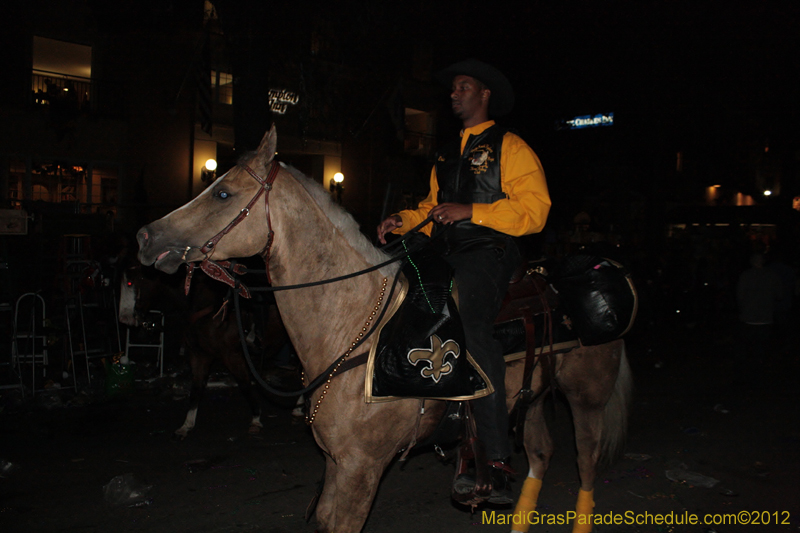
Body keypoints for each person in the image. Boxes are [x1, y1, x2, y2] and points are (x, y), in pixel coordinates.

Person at [377, 59, 551, 504]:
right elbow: (433, 208)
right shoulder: (446, 154)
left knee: (470, 325)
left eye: (463, 86)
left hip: (492, 248)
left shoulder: (510, 145)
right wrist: (405, 219)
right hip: (450, 249)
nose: (454, 94)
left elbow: (536, 210)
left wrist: (473, 212)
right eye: (453, 88)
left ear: (485, 93)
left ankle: (495, 459)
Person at [735, 252, 783, 384]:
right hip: (765, 317)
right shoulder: (771, 276)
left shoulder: (746, 275)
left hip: (748, 318)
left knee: (747, 349)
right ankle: (760, 376)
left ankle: (747, 377)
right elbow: (780, 295)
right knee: (761, 349)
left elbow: (740, 296)